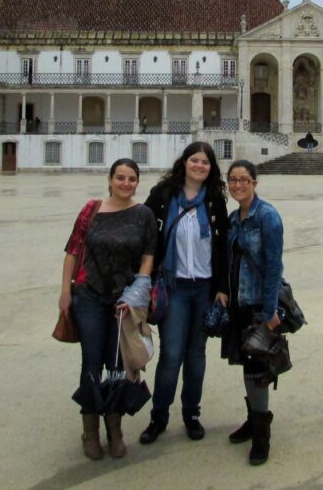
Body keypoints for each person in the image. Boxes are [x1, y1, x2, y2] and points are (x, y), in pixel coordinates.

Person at [59, 158, 157, 460]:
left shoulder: (144, 215)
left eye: (131, 179)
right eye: (120, 178)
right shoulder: (91, 209)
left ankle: (114, 430)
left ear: (138, 182)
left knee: (117, 365)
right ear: (110, 180)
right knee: (91, 363)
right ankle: (90, 431)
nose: (126, 184)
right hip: (88, 296)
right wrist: (65, 292)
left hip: (122, 302)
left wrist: (136, 296)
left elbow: (147, 259)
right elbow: (73, 251)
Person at [139, 141, 229, 445]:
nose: (200, 166)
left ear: (211, 167)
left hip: (204, 288)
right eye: (195, 160)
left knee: (196, 354)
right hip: (173, 286)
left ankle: (191, 412)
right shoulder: (164, 195)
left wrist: (222, 288)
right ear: (185, 162)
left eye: (205, 162)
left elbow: (224, 246)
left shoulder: (215, 199)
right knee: (171, 354)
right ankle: (159, 416)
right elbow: (145, 235)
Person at [222, 159, 285, 466]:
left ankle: (262, 434)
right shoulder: (235, 218)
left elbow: (274, 266)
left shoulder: (268, 216)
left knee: (259, 369)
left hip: (259, 304)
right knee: (248, 365)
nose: (238, 185)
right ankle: (253, 418)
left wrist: (271, 309)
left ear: (254, 183)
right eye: (233, 180)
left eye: (244, 180)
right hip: (238, 302)